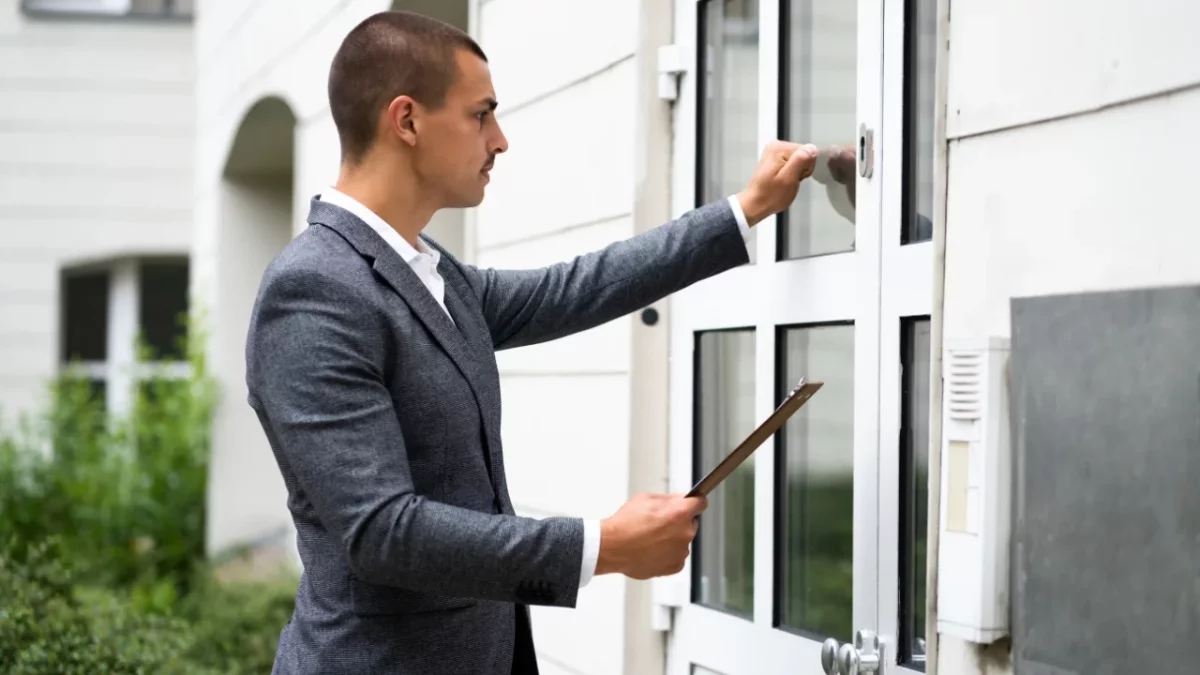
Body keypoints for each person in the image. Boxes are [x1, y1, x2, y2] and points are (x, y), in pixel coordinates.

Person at [244, 10, 819, 675]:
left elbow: (572, 288)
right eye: (481, 114)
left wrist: (742, 211)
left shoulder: (432, 273)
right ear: (406, 121)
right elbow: (383, 532)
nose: (501, 140)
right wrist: (603, 546)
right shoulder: (314, 290)